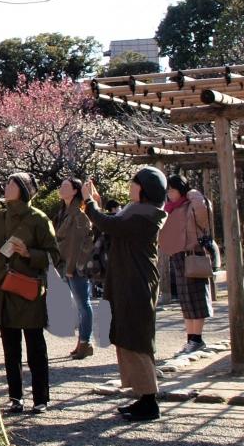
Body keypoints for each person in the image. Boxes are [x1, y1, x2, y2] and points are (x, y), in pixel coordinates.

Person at [83, 169, 167, 422]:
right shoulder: (137, 211)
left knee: (137, 339)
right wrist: (95, 205)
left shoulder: (147, 216)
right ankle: (142, 396)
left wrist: (89, 204)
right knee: (127, 336)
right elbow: (112, 224)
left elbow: (111, 225)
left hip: (136, 283)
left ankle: (150, 400)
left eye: (135, 183)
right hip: (128, 281)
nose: (130, 186)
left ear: (145, 189)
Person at [0, 173, 59, 414]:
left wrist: (28, 254)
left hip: (27, 289)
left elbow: (54, 256)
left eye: (11, 184)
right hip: (3, 289)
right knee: (10, 348)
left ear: (23, 189)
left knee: (35, 346)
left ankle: (41, 398)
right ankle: (15, 397)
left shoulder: (38, 219)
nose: (5, 187)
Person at [159, 174, 213, 356]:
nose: (170, 194)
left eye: (172, 190)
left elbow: (203, 211)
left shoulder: (191, 204)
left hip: (193, 254)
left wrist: (192, 193)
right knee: (185, 299)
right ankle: (191, 338)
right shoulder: (171, 208)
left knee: (196, 297)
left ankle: (197, 338)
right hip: (178, 255)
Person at [54, 177, 96, 359]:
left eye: (65, 186)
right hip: (67, 263)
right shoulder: (65, 210)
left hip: (76, 265)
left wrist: (71, 267)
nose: (61, 189)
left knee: (83, 303)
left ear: (75, 191)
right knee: (79, 305)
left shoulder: (79, 211)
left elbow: (77, 241)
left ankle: (86, 342)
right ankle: (83, 341)